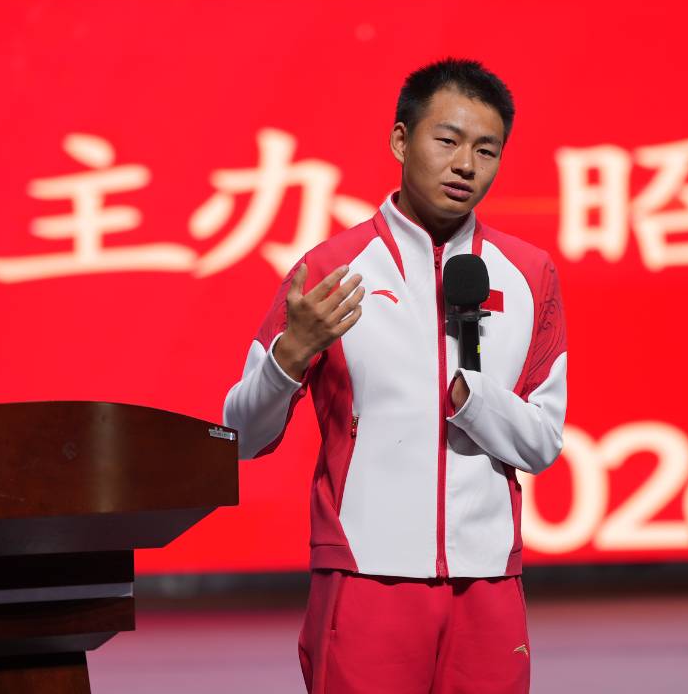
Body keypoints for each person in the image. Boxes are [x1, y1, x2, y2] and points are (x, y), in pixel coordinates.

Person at [223, 58, 567, 694]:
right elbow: (240, 436)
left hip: (489, 585)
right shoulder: (330, 269)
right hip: (364, 578)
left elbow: (543, 444)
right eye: (448, 140)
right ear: (401, 141)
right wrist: (290, 356)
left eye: (486, 150)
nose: (466, 165)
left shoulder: (529, 275)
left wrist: (475, 400)